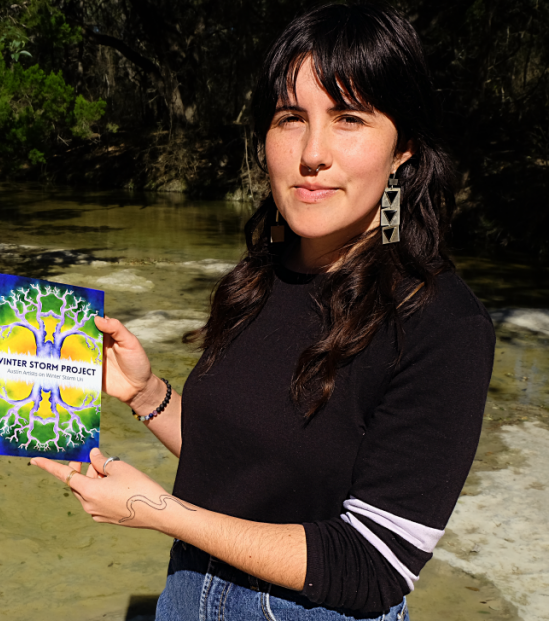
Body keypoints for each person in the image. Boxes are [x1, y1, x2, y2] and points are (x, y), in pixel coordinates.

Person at [32, 3, 495, 620]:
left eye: (349, 119)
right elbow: (248, 468)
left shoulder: (442, 325)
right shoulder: (262, 275)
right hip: (187, 592)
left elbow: (374, 565)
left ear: (403, 149)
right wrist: (147, 396)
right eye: (291, 118)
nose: (313, 152)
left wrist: (160, 512)